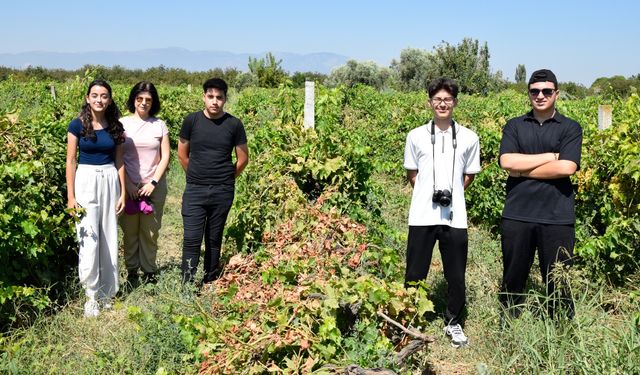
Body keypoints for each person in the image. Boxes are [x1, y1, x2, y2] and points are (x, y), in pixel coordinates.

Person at [498, 69, 582, 319]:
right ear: (529, 94)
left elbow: (567, 167)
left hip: (557, 216)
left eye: (546, 91)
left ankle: (562, 328)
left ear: (556, 93)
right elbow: (506, 162)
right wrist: (549, 157)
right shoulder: (514, 125)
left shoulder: (570, 127)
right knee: (513, 275)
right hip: (518, 214)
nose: (540, 95)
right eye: (535, 91)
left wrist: (523, 171)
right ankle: (508, 324)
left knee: (559, 278)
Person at [404, 77, 481, 347]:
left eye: (447, 99)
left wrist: (452, 193)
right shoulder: (415, 136)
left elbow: (469, 176)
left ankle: (453, 322)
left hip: (455, 216)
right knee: (415, 271)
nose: (442, 103)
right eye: (437, 99)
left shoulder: (470, 137)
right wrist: (429, 192)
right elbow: (413, 173)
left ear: (455, 103)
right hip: (422, 215)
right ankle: (409, 317)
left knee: (456, 274)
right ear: (429, 103)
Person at [178, 78, 249, 285]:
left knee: (214, 236)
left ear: (225, 99)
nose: (214, 102)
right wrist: (195, 175)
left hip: (223, 191)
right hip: (195, 189)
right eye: (210, 97)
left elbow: (243, 159)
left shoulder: (234, 124)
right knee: (191, 238)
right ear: (204, 97)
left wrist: (225, 177)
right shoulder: (191, 121)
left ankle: (210, 280)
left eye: (219, 97)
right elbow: (182, 154)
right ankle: (187, 284)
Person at [65, 79, 126, 317]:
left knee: (109, 236)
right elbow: (71, 160)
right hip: (86, 180)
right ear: (87, 98)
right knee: (88, 238)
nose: (99, 100)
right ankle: (91, 296)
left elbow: (120, 161)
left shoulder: (116, 127)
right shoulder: (77, 125)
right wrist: (71, 197)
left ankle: (107, 293)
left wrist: (121, 191)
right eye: (94, 95)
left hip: (110, 179)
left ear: (109, 99)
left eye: (103, 96)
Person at [119, 82, 170, 286]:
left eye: (148, 100)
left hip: (153, 186)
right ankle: (132, 270)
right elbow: (118, 155)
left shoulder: (159, 125)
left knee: (150, 230)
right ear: (133, 100)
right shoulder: (122, 123)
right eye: (140, 99)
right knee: (129, 230)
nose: (143, 103)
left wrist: (153, 182)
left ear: (153, 102)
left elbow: (165, 155)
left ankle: (149, 270)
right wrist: (128, 184)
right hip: (128, 185)